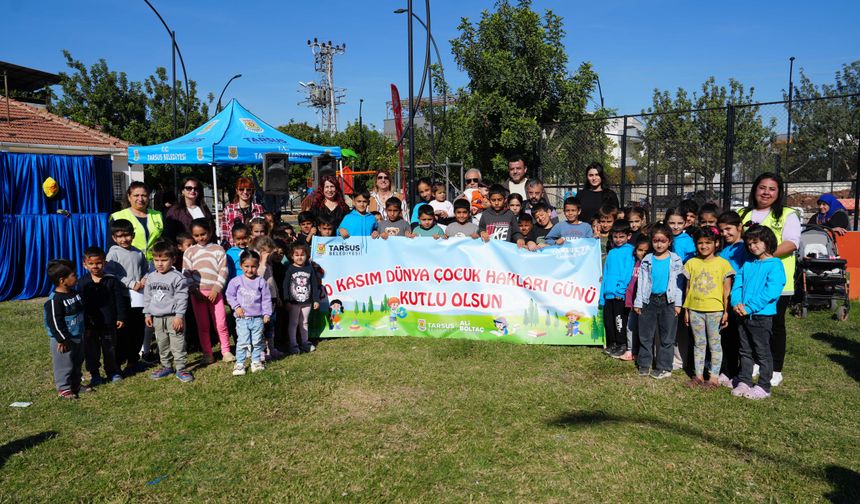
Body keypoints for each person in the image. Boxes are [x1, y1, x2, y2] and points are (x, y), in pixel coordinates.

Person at [738, 172, 800, 387]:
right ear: (754, 189)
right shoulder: (742, 213)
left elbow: (792, 242)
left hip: (776, 285)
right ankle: (754, 362)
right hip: (748, 283)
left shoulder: (787, 214)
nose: (766, 192)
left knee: (774, 325)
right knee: (748, 324)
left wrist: (764, 256)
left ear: (779, 193)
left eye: (772, 189)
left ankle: (775, 368)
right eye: (762, 187)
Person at [730, 224, 786, 400]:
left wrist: (749, 307)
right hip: (742, 314)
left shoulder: (775, 265)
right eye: (749, 244)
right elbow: (737, 284)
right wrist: (736, 303)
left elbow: (771, 292)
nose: (752, 247)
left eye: (756, 243)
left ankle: (763, 386)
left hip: (761, 316)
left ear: (767, 242)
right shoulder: (747, 264)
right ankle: (745, 380)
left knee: (762, 352)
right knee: (745, 350)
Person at [682, 226, 734, 389]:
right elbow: (688, 288)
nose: (704, 246)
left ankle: (713, 378)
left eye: (708, 243)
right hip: (695, 310)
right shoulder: (691, 263)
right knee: (699, 343)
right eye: (700, 243)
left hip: (715, 311)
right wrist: (686, 310)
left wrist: (726, 312)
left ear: (717, 243)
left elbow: (727, 291)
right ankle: (698, 376)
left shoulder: (724, 264)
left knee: (714, 344)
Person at [634, 224, 684, 379]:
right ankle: (644, 363)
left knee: (667, 337)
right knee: (645, 334)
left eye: (663, 241)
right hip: (649, 301)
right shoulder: (647, 260)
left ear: (669, 241)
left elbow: (679, 284)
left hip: (668, 301)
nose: (659, 244)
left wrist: (677, 303)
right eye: (656, 241)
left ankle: (664, 367)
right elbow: (641, 281)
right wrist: (638, 302)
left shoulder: (675, 260)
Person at [184, 217, 233, 364]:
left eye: (203, 234)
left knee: (221, 323)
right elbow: (186, 273)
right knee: (203, 325)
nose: (201, 238)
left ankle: (226, 351)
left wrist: (216, 289)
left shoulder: (218, 250)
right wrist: (194, 291)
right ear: (192, 235)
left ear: (210, 232)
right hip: (197, 295)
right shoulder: (189, 252)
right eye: (197, 235)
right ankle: (207, 353)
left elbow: (223, 271)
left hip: (215, 294)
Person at [144, 241, 193, 383]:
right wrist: (147, 313)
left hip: (173, 317)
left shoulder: (178, 278)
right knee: (162, 343)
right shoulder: (151, 277)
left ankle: (181, 368)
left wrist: (179, 316)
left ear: (173, 259)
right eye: (156, 260)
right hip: (157, 318)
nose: (160, 264)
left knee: (177, 342)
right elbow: (147, 297)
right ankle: (166, 366)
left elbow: (182, 298)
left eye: (164, 260)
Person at [105, 219, 149, 374]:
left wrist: (144, 279)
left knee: (138, 329)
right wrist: (131, 283)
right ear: (114, 238)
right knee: (123, 331)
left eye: (127, 235)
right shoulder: (113, 253)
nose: (124, 239)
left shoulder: (138, 252)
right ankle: (117, 364)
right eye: (120, 236)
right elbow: (111, 274)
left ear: (133, 235)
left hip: (139, 299)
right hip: (122, 298)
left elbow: (146, 269)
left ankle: (133, 360)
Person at [79, 246, 126, 385]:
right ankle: (95, 374)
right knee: (91, 351)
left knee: (110, 348)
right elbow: (80, 304)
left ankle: (112, 371)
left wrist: (121, 317)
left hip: (108, 323)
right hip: (90, 325)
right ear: (85, 264)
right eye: (91, 263)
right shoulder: (82, 282)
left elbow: (119, 300)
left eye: (98, 263)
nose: (95, 266)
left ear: (104, 263)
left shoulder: (111, 280)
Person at [44, 259, 88, 399]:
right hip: (63, 341)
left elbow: (82, 312)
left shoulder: (75, 294)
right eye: (73, 275)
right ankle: (64, 388)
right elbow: (55, 323)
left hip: (78, 335)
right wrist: (62, 339)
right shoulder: (54, 300)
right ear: (62, 280)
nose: (77, 277)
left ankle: (75, 384)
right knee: (64, 364)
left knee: (77, 361)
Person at [226, 250, 272, 376]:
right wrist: (236, 307)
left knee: (257, 341)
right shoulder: (236, 281)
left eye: (253, 266)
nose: (250, 270)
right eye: (247, 266)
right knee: (242, 341)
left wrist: (267, 313)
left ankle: (256, 361)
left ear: (257, 266)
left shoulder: (261, 282)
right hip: (242, 319)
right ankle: (240, 364)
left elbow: (266, 299)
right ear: (241, 266)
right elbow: (229, 295)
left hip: (257, 318)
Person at [717, 210, 750, 385]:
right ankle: (726, 370)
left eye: (728, 229)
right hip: (725, 297)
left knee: (740, 339)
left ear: (739, 227)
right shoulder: (724, 250)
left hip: (739, 298)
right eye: (721, 230)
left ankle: (738, 372)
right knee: (726, 336)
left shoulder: (745, 247)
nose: (725, 234)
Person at [601, 220, 635, 358]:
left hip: (619, 295)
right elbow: (606, 274)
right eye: (615, 236)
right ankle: (613, 343)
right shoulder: (611, 253)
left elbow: (628, 272)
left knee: (619, 320)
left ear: (628, 236)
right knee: (609, 321)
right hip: (608, 294)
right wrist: (602, 295)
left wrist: (621, 290)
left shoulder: (630, 251)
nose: (618, 239)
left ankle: (622, 344)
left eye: (622, 236)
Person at [249, 236, 284, 361]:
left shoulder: (269, 265)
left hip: (272, 298)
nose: (268, 254)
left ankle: (271, 348)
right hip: (262, 300)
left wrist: (278, 295)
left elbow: (271, 281)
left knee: (271, 326)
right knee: (261, 327)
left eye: (269, 252)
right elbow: (259, 278)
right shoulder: (256, 266)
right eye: (264, 252)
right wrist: (262, 262)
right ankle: (261, 350)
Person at [283, 242, 321, 355]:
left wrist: (316, 300)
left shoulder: (309, 269)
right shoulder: (289, 269)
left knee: (304, 322)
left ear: (307, 256)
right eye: (297, 255)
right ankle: (293, 344)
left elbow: (314, 285)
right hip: (294, 302)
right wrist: (286, 300)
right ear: (292, 256)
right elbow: (285, 286)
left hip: (307, 302)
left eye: (302, 255)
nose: (300, 257)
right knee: (293, 323)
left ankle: (305, 342)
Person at [110, 181, 164, 261]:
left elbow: (164, 239)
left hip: (155, 262)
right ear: (129, 197)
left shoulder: (158, 215)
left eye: (144, 195)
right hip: (129, 262)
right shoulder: (117, 216)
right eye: (136, 195)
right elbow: (111, 245)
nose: (140, 199)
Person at [623, 234, 651, 362]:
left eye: (646, 251)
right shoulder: (634, 263)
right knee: (631, 326)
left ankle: (641, 351)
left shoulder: (650, 264)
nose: (643, 253)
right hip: (631, 301)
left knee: (643, 328)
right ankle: (630, 350)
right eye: (640, 250)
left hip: (645, 303)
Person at [164, 177, 215, 242]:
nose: (192, 191)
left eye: (195, 188)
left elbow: (212, 230)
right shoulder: (175, 211)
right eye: (189, 188)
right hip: (185, 250)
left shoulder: (204, 209)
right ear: (182, 191)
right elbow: (170, 235)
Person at [220, 177, 265, 247]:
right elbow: (224, 234)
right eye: (241, 189)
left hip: (255, 248)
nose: (245, 192)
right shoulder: (229, 209)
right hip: (234, 248)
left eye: (248, 189)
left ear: (252, 191)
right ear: (237, 191)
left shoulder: (259, 208)